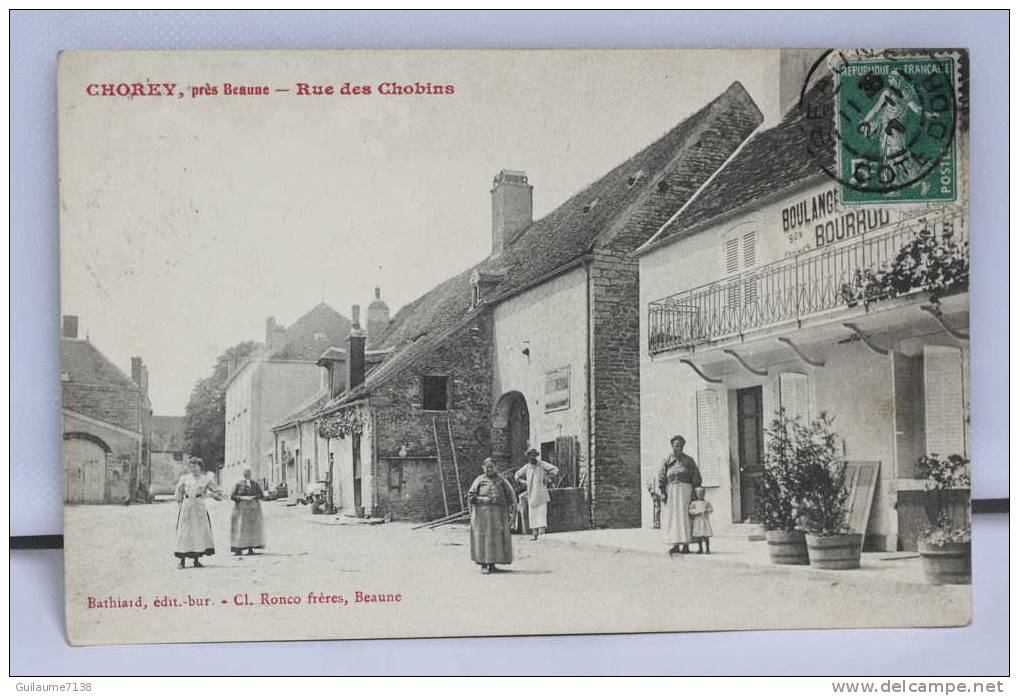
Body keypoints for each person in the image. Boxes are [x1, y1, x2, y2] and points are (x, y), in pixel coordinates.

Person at [467, 458, 516, 574]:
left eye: (491, 467)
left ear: (496, 467)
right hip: (482, 514)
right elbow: (470, 496)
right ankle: (483, 564)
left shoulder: (501, 480)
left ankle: (493, 564)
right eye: (487, 467)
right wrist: (483, 499)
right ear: (483, 468)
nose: (489, 469)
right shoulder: (479, 480)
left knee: (496, 538)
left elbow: (510, 496)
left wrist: (508, 510)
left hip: (498, 515)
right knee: (483, 538)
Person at [174, 456, 225, 568]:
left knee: (198, 532)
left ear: (200, 467)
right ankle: (181, 561)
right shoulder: (185, 478)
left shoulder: (206, 479)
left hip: (199, 507)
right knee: (185, 532)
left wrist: (211, 495)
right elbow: (179, 491)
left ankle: (196, 559)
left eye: (195, 467)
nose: (193, 470)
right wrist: (178, 497)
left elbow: (218, 492)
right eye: (191, 467)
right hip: (187, 506)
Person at [655, 435, 702, 556]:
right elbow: (661, 476)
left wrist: (696, 491)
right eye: (676, 445)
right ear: (672, 446)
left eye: (680, 446)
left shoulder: (689, 461)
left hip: (686, 491)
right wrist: (662, 492)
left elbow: (696, 477)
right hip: (671, 491)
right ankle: (675, 545)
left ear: (683, 446)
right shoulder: (667, 460)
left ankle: (686, 545)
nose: (678, 448)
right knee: (673, 517)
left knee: (685, 517)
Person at [515, 448, 560, 541]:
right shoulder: (526, 467)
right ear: (528, 457)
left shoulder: (542, 465)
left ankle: (542, 534)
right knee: (532, 514)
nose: (532, 457)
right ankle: (534, 534)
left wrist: (548, 477)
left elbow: (555, 470)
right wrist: (523, 482)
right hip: (531, 493)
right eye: (530, 455)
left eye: (534, 455)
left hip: (541, 493)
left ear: (536, 456)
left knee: (542, 513)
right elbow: (517, 475)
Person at [230, 465, 266, 556]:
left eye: (249, 473)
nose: (247, 475)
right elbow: (232, 496)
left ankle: (251, 548)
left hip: (253, 510)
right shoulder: (238, 484)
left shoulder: (255, 484)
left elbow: (261, 495)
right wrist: (242, 498)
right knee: (240, 529)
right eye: (245, 473)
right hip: (241, 511)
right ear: (243, 474)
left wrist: (254, 497)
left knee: (251, 528)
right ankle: (238, 549)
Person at [688, 487, 713, 554]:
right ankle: (700, 548)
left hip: (704, 520)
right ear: (696, 495)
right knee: (699, 536)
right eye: (699, 494)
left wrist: (707, 510)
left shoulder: (706, 502)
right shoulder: (694, 503)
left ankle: (707, 549)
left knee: (706, 536)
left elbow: (711, 509)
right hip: (698, 520)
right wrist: (696, 512)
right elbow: (690, 510)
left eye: (702, 494)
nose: (700, 495)